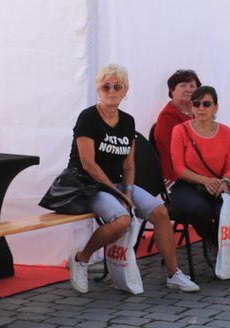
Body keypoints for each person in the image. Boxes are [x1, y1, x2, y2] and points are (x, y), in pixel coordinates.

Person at [66, 64, 199, 295]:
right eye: (106, 86)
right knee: (121, 220)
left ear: (125, 90)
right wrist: (119, 195)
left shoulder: (127, 121)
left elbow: (129, 163)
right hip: (89, 185)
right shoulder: (88, 117)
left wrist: (127, 191)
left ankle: (173, 273)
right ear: (98, 89)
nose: (111, 91)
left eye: (117, 86)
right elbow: (88, 164)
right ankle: (81, 258)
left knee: (160, 212)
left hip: (118, 185)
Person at [169, 85, 230, 257]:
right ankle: (211, 241)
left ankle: (225, 250)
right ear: (191, 107)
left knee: (224, 211)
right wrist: (205, 180)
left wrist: (225, 182)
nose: (201, 108)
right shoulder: (180, 130)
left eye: (206, 104)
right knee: (200, 210)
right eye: (196, 104)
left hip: (217, 184)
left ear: (215, 107)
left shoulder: (226, 132)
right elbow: (179, 169)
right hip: (187, 185)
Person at [153, 68, 201, 180]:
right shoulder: (167, 117)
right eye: (183, 85)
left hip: (201, 169)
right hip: (178, 176)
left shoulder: (200, 112)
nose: (188, 89)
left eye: (192, 86)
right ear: (172, 90)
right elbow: (175, 154)